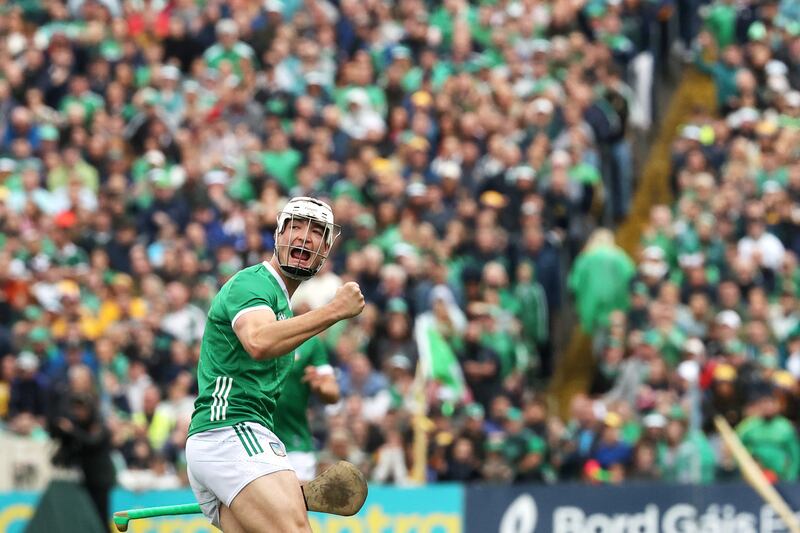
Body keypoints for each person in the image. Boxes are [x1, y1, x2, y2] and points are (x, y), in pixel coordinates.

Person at [186, 197, 365, 532]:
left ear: (325, 249)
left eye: (315, 232)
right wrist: (334, 310)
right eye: (295, 226)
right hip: (230, 431)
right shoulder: (252, 283)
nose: (303, 237)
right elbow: (258, 341)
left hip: (239, 440)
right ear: (278, 234)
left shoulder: (282, 306)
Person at [273, 304, 341, 482]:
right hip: (255, 434)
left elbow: (332, 392)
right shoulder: (256, 338)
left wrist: (321, 386)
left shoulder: (312, 344)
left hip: (294, 437)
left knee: (297, 502)